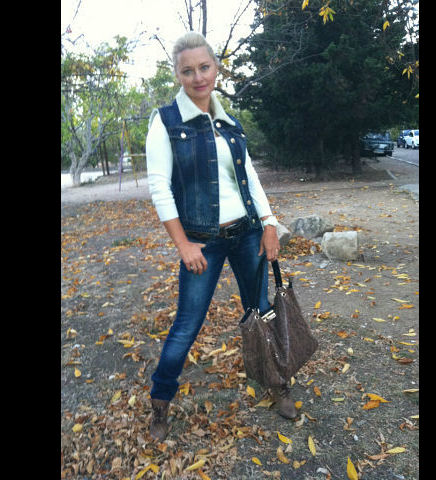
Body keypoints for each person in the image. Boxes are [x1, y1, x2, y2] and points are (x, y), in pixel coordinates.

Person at [145, 31, 296, 442]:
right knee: (187, 324)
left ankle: (277, 382)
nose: (198, 77)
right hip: (202, 242)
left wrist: (269, 224)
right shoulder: (166, 121)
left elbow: (249, 176)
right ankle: (160, 402)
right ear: (177, 75)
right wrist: (183, 244)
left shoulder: (229, 121)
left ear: (216, 68)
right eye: (187, 71)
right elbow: (159, 188)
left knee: (261, 310)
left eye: (204, 67)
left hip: (247, 233)